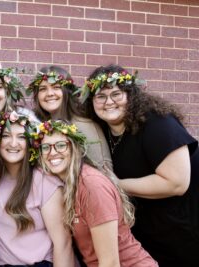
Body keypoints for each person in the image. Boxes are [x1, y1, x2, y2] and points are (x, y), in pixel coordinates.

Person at [81, 64, 199, 267]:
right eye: (101, 96)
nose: (109, 102)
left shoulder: (157, 122)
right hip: (153, 228)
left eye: (116, 94)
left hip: (187, 223)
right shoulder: (102, 131)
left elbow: (177, 183)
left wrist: (116, 184)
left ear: (131, 95)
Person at [38, 120, 158, 267]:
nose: (53, 152)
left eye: (61, 145)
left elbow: (110, 263)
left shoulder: (92, 185)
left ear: (75, 148)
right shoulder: (70, 185)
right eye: (45, 147)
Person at [0, 111, 74, 267]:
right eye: (6, 136)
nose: (13, 143)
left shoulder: (44, 182)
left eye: (21, 137)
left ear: (30, 143)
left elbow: (63, 243)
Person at [27, 66, 112, 170]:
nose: (49, 93)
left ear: (67, 91)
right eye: (43, 89)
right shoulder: (38, 126)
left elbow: (103, 172)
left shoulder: (84, 126)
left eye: (56, 87)